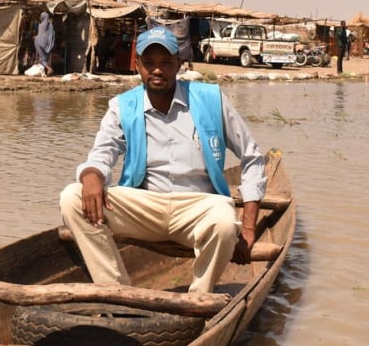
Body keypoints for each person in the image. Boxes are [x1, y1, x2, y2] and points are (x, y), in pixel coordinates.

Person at [60, 26, 266, 293]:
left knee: (226, 224)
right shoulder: (123, 106)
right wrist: (90, 176)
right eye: (149, 63)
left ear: (179, 65)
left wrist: (248, 229)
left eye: (166, 63)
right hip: (145, 207)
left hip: (197, 208)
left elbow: (252, 157)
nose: (157, 70)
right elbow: (102, 153)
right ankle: (118, 293)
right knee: (72, 198)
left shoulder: (211, 99)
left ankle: (199, 298)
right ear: (138, 66)